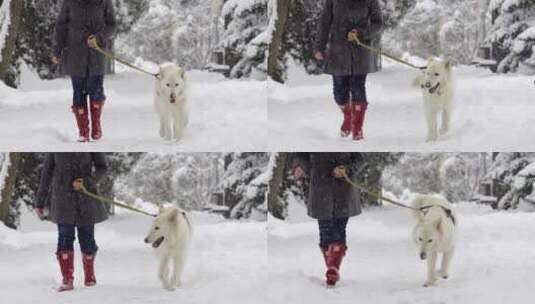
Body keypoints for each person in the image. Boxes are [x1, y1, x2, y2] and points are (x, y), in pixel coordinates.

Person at [35, 153, 109, 292]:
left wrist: (86, 182)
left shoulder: (89, 147)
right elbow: (46, 174)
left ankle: (89, 275)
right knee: (64, 238)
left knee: (87, 240)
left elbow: (102, 167)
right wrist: (40, 201)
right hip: (62, 199)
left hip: (86, 199)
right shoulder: (56, 146)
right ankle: (67, 279)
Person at [314, 0, 383, 141]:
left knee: (358, 87)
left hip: (360, 51)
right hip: (338, 51)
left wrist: (362, 33)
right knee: (340, 93)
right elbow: (324, 22)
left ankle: (357, 129)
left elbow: (378, 24)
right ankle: (348, 116)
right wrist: (319, 46)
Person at [291, 152, 362, 286]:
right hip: (320, 190)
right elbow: (301, 154)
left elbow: (359, 159)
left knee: (338, 231)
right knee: (325, 233)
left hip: (344, 192)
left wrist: (346, 169)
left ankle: (332, 269)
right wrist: (299, 166)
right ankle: (332, 268)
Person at [52, 0, 117, 142]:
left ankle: (96, 125)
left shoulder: (104, 2)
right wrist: (57, 51)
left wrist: (99, 38)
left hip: (97, 54)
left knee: (96, 92)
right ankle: (83, 132)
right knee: (78, 93)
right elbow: (61, 26)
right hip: (75, 53)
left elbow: (111, 24)